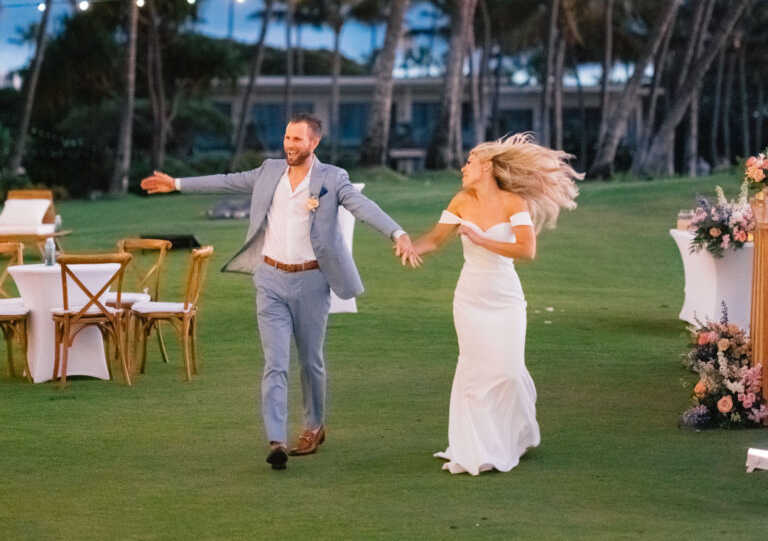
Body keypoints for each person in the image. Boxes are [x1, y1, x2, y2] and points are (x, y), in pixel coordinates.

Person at [141, 113, 418, 471]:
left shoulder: (332, 179)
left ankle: (314, 426)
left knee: (310, 361)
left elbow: (362, 207)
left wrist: (397, 233)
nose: (289, 145)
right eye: (287, 138)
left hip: (312, 282)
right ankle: (277, 440)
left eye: (297, 140)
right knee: (275, 362)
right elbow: (226, 182)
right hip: (270, 279)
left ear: (314, 142)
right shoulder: (269, 171)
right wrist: (176, 183)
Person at [410, 133, 580, 475]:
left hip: (504, 297)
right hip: (470, 297)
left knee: (508, 371)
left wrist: (481, 238)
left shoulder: (513, 203)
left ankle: (517, 432)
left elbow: (526, 250)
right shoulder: (461, 201)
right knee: (474, 371)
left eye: (469, 162)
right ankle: (477, 447)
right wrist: (411, 247)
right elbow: (435, 238)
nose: (463, 167)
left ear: (486, 166)